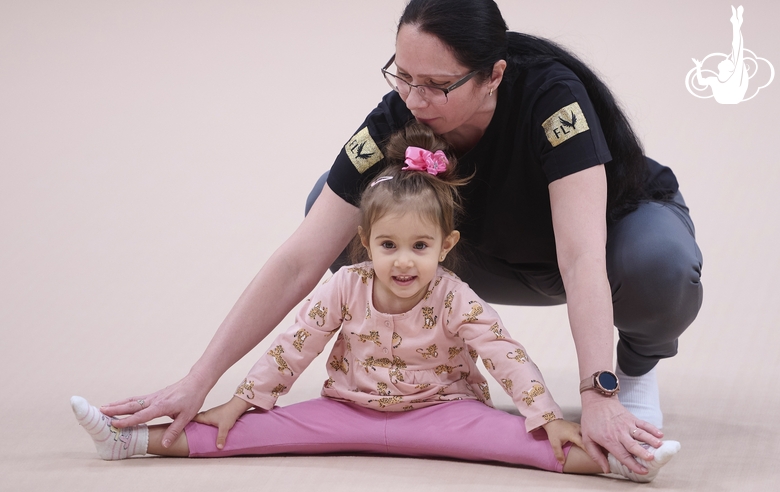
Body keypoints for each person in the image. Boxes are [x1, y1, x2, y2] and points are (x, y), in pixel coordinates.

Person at [102, 0, 703, 476]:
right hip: (471, 259)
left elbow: (579, 256)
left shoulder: (551, 99)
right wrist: (198, 380)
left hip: (599, 249)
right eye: (402, 77)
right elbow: (299, 261)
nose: (414, 100)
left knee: (660, 262)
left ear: (493, 75)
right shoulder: (399, 114)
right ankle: (404, 359)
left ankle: (634, 368)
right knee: (333, 209)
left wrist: (596, 393)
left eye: (436, 85)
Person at [73, 124, 680, 482]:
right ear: (365, 243)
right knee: (243, 433)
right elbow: (295, 345)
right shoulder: (346, 285)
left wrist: (544, 410)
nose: (404, 261)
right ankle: (129, 441)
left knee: (533, 442)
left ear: (446, 245)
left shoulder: (454, 297)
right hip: (348, 411)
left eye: (420, 246)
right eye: (389, 245)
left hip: (445, 411)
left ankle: (623, 461)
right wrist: (244, 399)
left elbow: (505, 354)